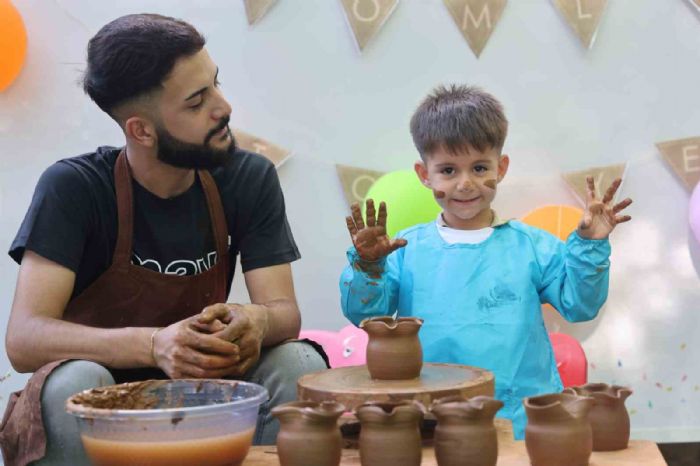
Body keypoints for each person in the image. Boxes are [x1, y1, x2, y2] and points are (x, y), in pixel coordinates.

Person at [0, 13, 326, 466]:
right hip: (107, 409)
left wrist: (256, 321)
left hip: (204, 396)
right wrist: (155, 344)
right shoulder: (74, 187)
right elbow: (24, 339)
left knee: (297, 363)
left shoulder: (248, 178)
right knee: (75, 380)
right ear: (141, 130)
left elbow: (283, 314)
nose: (224, 107)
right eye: (197, 102)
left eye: (216, 83)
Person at [339, 84, 632, 439]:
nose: (466, 184)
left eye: (479, 167)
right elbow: (366, 315)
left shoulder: (532, 247)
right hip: (429, 422)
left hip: (522, 423)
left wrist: (589, 245)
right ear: (423, 174)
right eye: (448, 170)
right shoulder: (404, 250)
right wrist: (368, 267)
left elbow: (580, 306)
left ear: (502, 166)